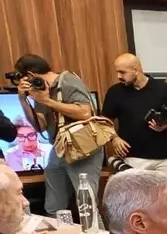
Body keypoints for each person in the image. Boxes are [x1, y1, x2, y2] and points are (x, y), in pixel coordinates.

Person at [12, 54, 104, 214]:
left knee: (87, 207)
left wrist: (47, 101)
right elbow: (41, 126)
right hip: (59, 148)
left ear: (31, 75)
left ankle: (96, 231)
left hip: (82, 148)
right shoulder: (40, 90)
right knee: (54, 207)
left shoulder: (67, 80)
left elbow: (85, 112)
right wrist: (23, 100)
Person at [102, 53, 167, 182]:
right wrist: (114, 138)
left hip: (166, 158)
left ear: (136, 70)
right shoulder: (115, 92)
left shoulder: (164, 89)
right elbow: (104, 121)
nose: (119, 76)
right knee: (137, 194)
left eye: (122, 72)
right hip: (134, 157)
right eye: (117, 72)